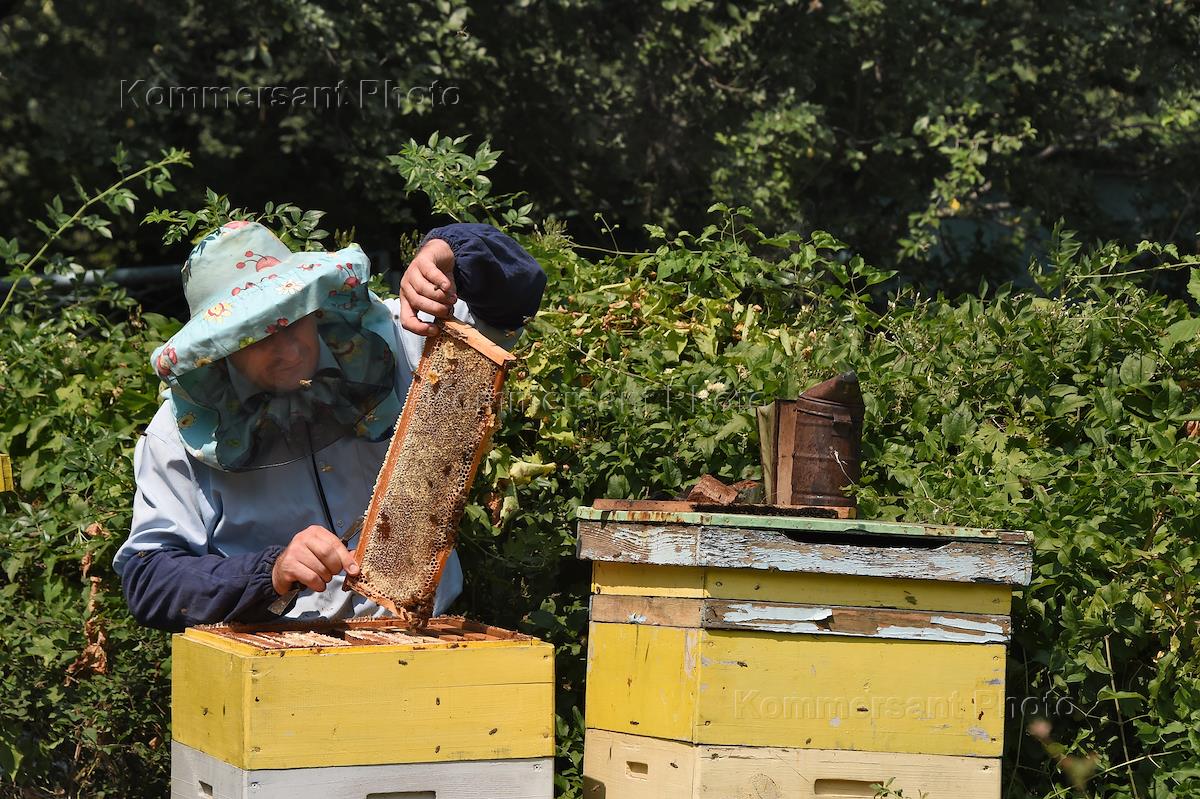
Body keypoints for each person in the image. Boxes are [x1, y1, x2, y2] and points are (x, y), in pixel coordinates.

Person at [113, 219, 546, 631]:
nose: (287, 351)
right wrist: (271, 571)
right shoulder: (181, 432)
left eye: (291, 320)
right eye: (255, 337)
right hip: (279, 658)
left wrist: (446, 250)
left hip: (422, 633)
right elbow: (149, 579)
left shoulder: (398, 339)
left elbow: (518, 293)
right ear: (216, 347)